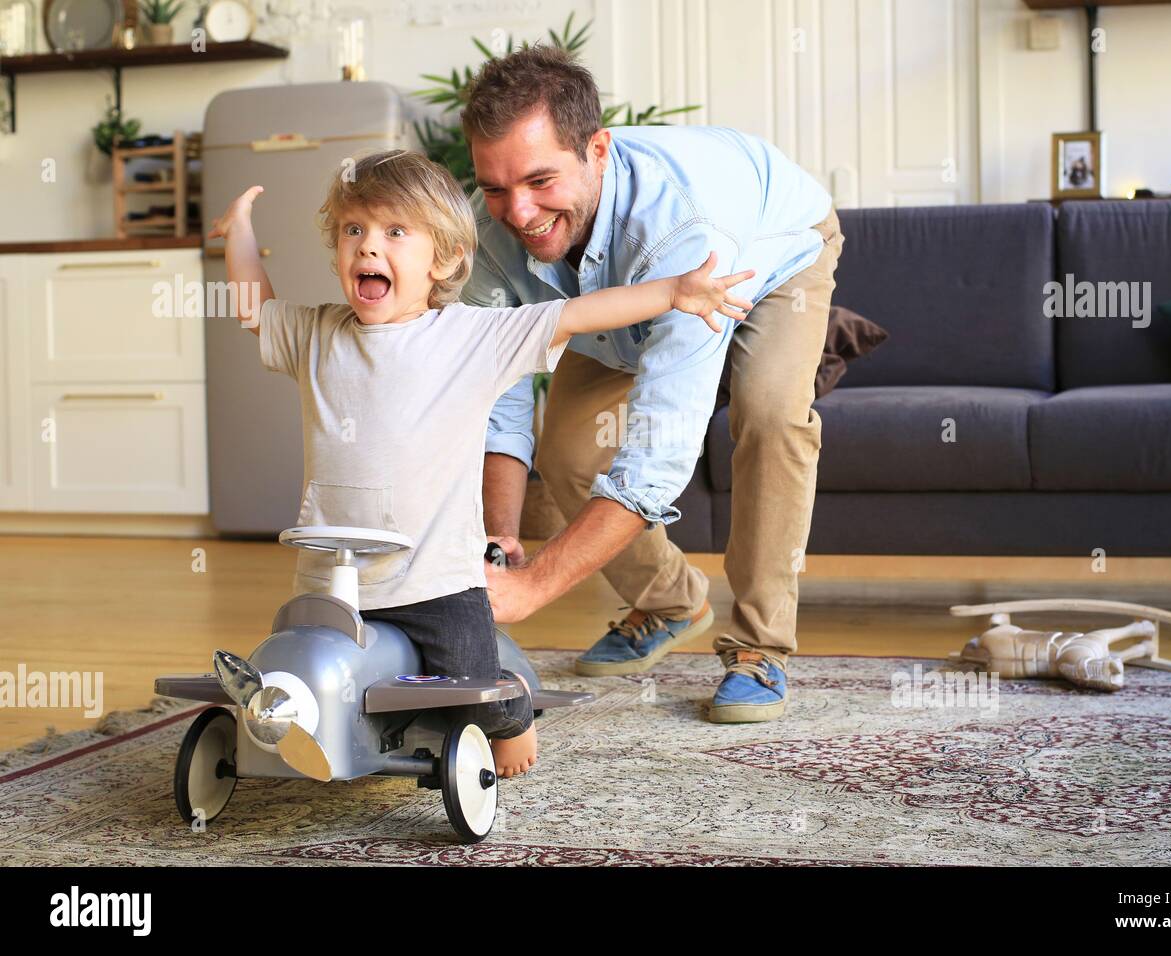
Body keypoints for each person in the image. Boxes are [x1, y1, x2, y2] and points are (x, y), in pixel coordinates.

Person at [206, 149, 753, 776]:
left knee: (471, 688)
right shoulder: (318, 334)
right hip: (332, 583)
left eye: (394, 233)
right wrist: (241, 228)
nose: (367, 247)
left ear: (442, 259)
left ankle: (512, 713)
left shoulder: (471, 336)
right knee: (305, 675)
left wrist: (675, 292)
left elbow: (576, 312)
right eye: (352, 231)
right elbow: (254, 309)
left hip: (435, 580)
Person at [463, 45, 844, 723]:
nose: (518, 212)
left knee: (770, 413)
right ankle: (671, 601)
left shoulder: (684, 230)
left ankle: (760, 647)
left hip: (771, 255)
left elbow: (658, 452)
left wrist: (534, 589)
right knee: (569, 455)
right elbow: (500, 395)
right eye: (495, 187)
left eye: (540, 181)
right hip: (616, 297)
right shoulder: (491, 237)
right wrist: (503, 538)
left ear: (597, 149)